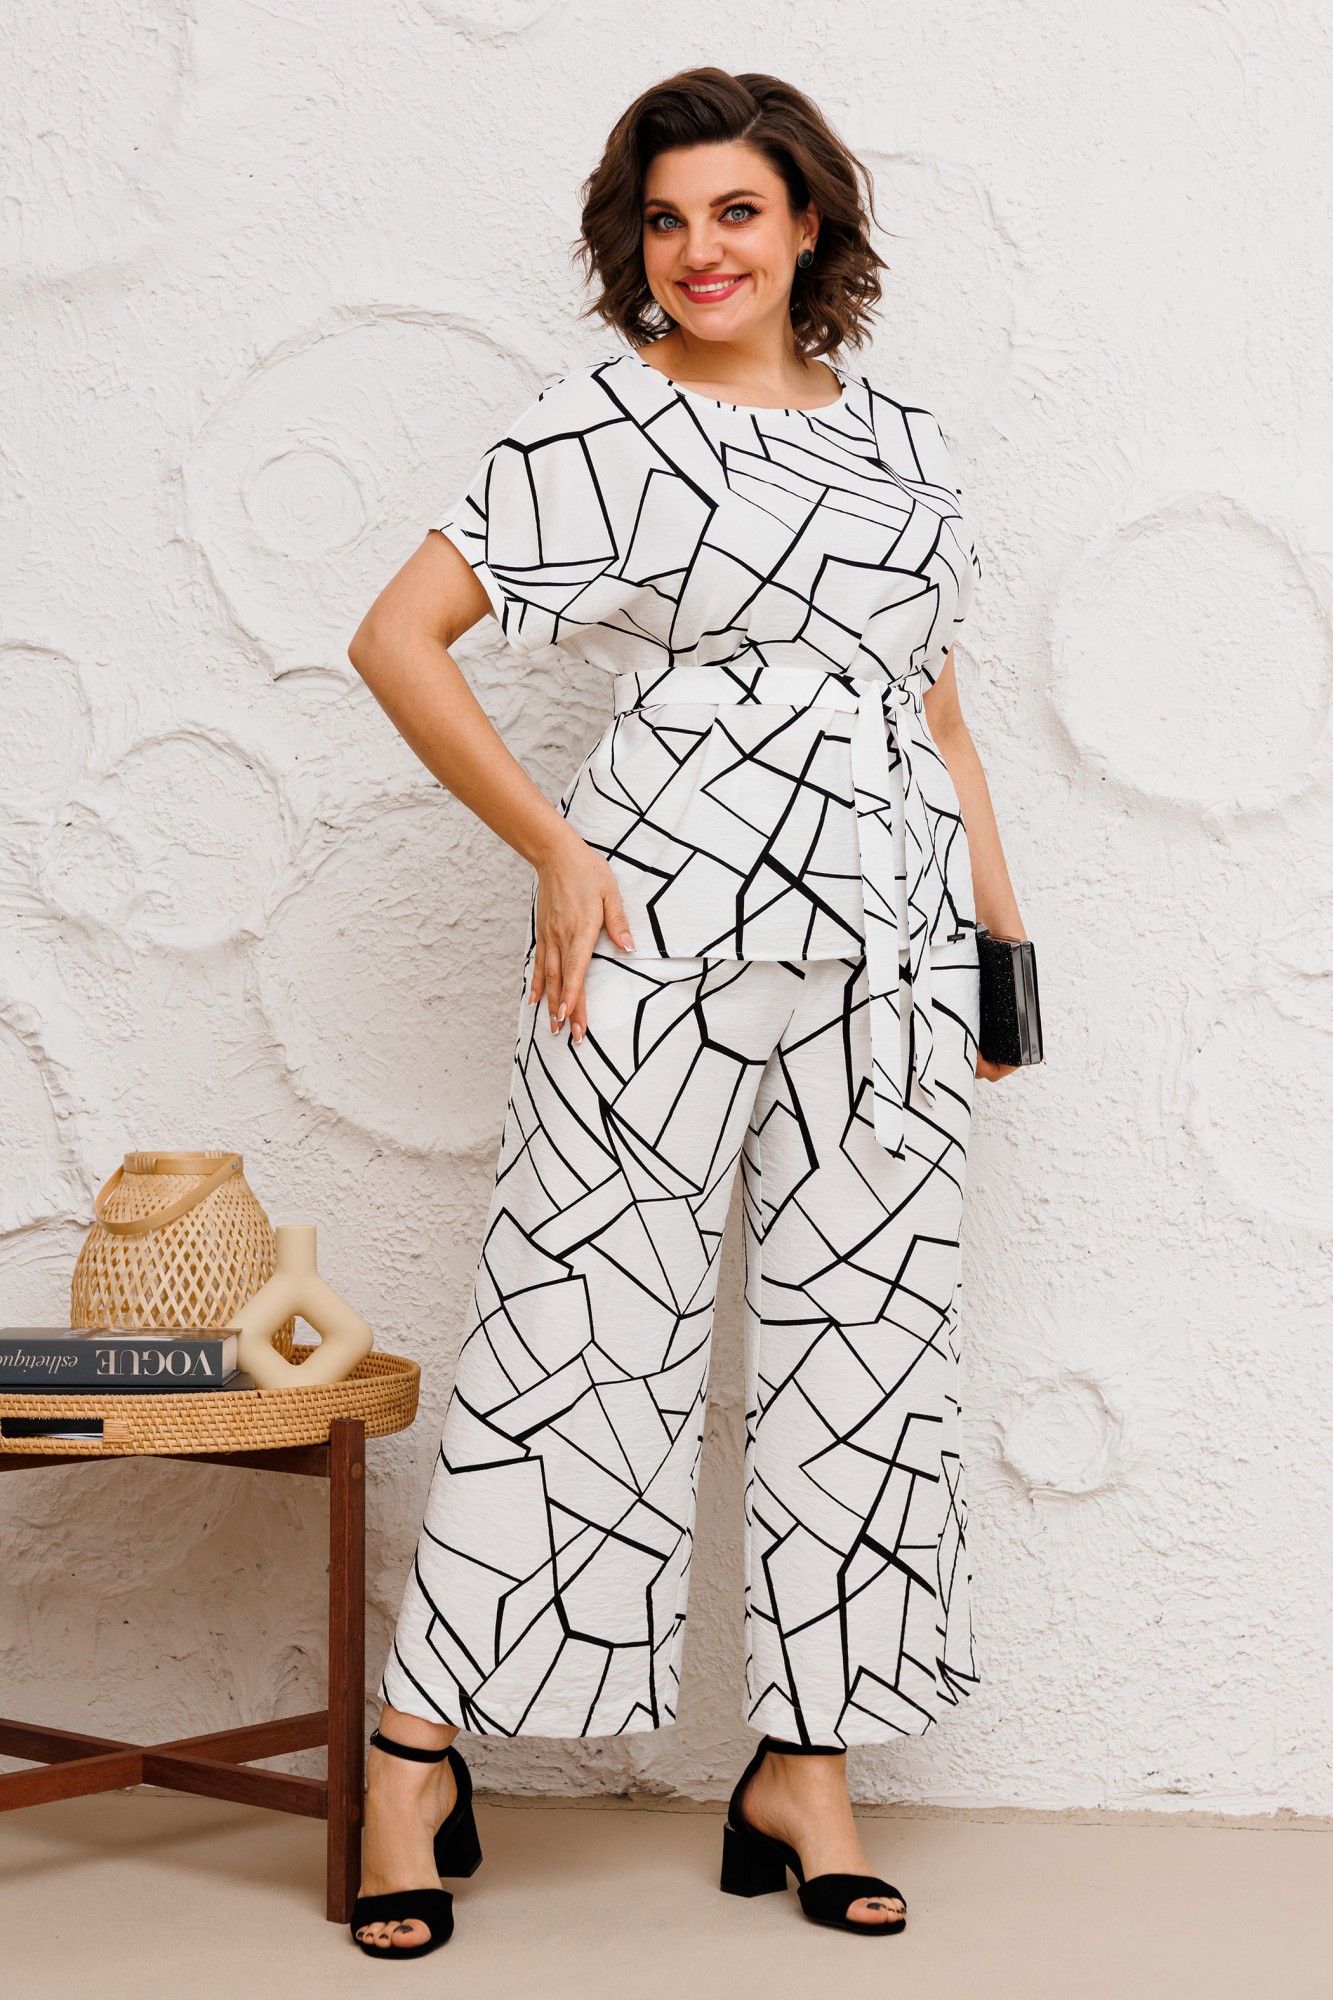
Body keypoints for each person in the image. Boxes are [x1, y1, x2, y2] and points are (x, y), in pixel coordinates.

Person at [345, 65, 1029, 1959]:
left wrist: (996, 940)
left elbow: (935, 710)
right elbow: (396, 638)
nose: (699, 250)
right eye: (664, 219)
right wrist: (555, 851)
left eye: (735, 210)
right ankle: (412, 1755)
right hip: (657, 926)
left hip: (890, 947)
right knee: (580, 1325)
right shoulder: (604, 422)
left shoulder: (907, 442)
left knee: (867, 1348)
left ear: (808, 223)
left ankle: (805, 1772)